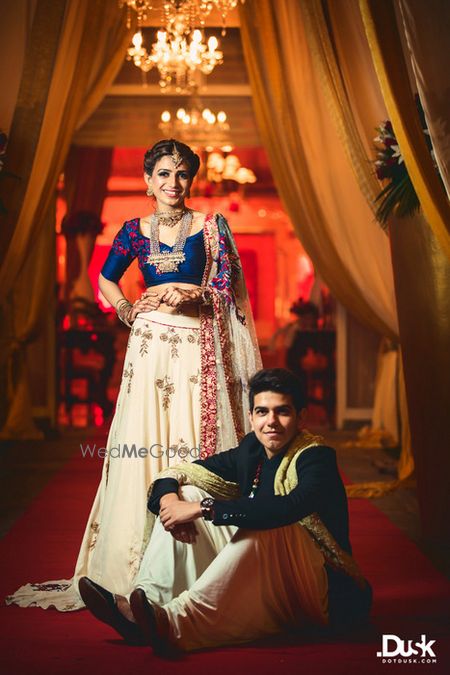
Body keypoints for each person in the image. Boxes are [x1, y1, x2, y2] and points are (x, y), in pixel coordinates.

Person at [6, 139, 261, 612]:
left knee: (190, 440)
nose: (173, 183)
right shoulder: (132, 231)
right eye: (163, 174)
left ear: (191, 180)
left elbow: (229, 288)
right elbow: (104, 277)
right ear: (148, 181)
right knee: (144, 439)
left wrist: (192, 294)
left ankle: (198, 566)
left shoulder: (211, 227)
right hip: (148, 348)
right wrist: (124, 307)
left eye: (182, 174)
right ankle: (133, 567)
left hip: (195, 348)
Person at [78, 368, 372, 653]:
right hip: (271, 570)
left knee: (264, 522)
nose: (271, 422)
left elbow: (287, 508)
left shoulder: (315, 457)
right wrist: (170, 501)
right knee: (188, 491)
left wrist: (203, 508)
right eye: (262, 412)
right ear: (251, 416)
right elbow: (185, 472)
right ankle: (144, 608)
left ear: (301, 417)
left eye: (282, 411)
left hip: (322, 590)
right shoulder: (252, 450)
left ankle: (173, 623)